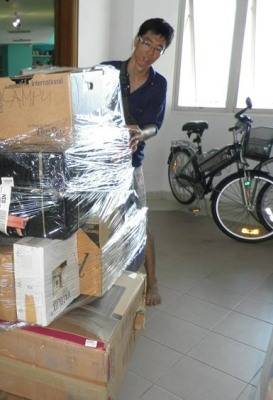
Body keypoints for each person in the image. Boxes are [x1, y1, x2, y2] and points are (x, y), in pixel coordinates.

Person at [102, 18, 175, 306]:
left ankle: (152, 280)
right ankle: (102, 276)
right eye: (148, 43)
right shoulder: (106, 71)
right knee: (99, 221)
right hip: (98, 163)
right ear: (136, 40)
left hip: (131, 162)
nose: (151, 52)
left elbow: (154, 125)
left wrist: (139, 134)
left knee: (140, 222)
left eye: (159, 48)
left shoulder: (159, 84)